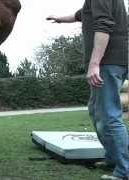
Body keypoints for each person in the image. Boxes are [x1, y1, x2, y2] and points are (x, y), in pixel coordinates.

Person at [47, 0, 128, 179]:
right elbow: (80, 14)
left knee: (109, 115)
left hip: (108, 62)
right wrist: (59, 19)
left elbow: (104, 25)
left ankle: (124, 170)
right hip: (111, 62)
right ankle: (114, 159)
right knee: (97, 111)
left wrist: (94, 63)